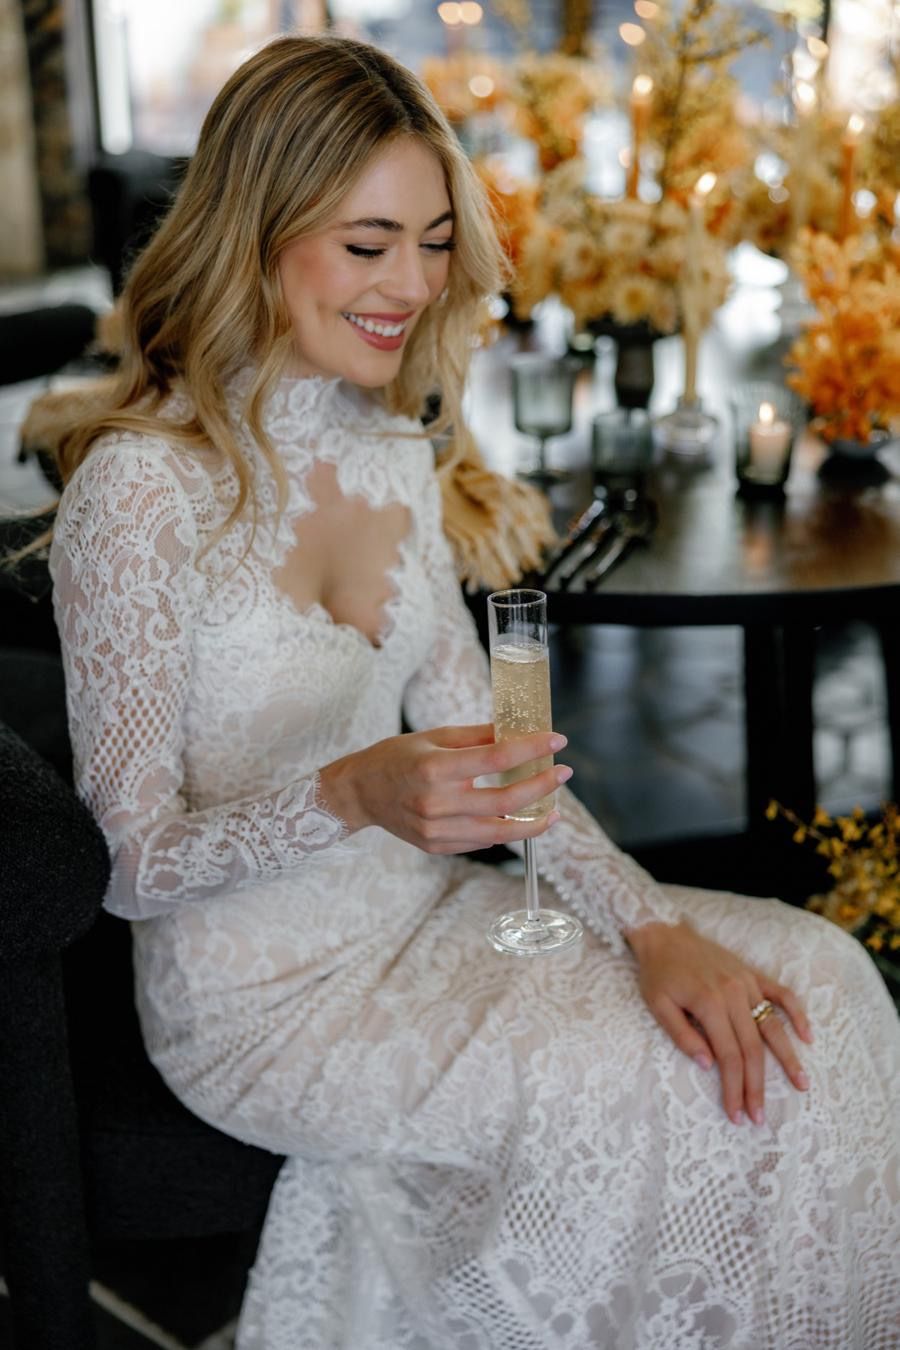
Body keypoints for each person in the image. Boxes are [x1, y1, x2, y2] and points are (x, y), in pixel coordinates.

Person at [47, 34, 898, 1350]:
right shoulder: (139, 494)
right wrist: (350, 792)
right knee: (681, 1073)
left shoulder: (393, 447)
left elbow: (505, 746)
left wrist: (648, 925)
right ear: (255, 236)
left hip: (437, 916)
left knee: (821, 981)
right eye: (369, 243)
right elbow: (126, 867)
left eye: (435, 243)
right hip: (265, 1009)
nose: (412, 284)